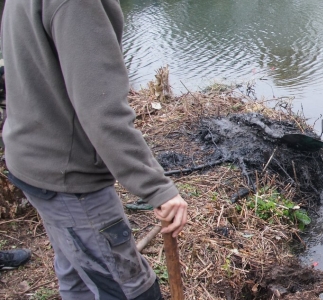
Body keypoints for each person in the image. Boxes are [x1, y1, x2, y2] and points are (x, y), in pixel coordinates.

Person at [1, 1, 188, 299]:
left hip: (31, 157)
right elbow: (103, 112)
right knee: (132, 290)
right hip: (67, 176)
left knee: (78, 276)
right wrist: (157, 187)